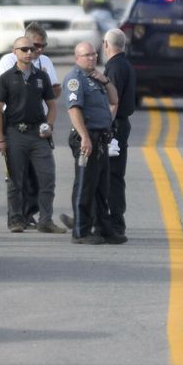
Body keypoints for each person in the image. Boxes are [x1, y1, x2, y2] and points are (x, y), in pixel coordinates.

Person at [0, 25, 63, 228]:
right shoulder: (7, 70)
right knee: (17, 178)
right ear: (17, 49)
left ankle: (43, 218)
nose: (34, 51)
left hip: (38, 129)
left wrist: (49, 125)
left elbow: (53, 96)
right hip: (15, 127)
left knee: (45, 176)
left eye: (39, 47)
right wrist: (0, 138)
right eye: (32, 47)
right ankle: (16, 218)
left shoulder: (42, 71)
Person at [60, 41, 119, 244]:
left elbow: (114, 100)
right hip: (87, 139)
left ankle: (103, 228)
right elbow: (74, 109)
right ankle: (81, 231)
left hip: (101, 139)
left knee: (102, 187)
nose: (92, 58)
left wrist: (106, 81)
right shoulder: (75, 79)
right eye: (87, 55)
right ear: (77, 58)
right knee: (85, 185)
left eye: (94, 54)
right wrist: (84, 136)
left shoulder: (95, 78)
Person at [98, 28, 136, 242]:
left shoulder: (113, 68)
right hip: (121, 124)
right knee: (114, 175)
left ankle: (113, 221)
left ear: (106, 45)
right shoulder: (125, 64)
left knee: (110, 175)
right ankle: (108, 219)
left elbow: (113, 101)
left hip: (114, 126)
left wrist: (105, 127)